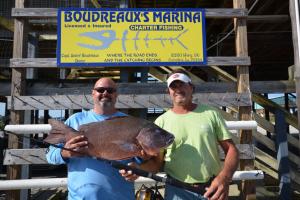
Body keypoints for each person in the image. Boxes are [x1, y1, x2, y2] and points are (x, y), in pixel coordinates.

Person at [121, 70, 239, 200]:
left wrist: (224, 178)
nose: (178, 89)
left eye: (182, 84)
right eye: (173, 86)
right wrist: (138, 169)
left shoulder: (211, 113)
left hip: (212, 189)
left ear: (191, 87)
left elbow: (231, 150)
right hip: (177, 190)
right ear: (168, 92)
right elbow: (157, 163)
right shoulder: (161, 122)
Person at [46, 77, 138, 200]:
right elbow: (50, 156)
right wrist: (65, 152)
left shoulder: (130, 122)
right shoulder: (75, 120)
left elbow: (142, 160)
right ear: (93, 93)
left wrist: (136, 168)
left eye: (110, 90)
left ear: (116, 94)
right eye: (100, 90)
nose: (105, 93)